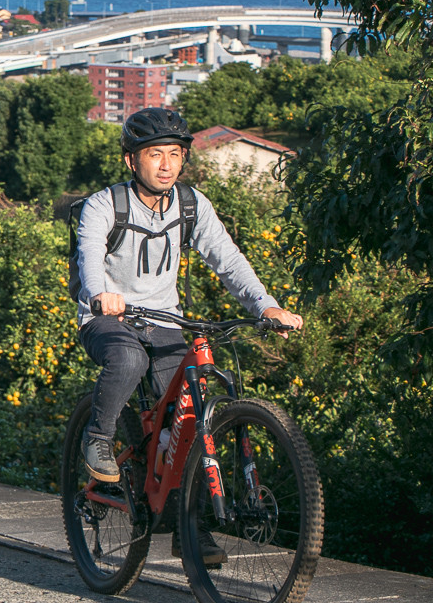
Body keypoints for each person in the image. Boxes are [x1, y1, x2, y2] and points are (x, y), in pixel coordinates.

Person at [74, 106, 303, 565]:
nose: (165, 165)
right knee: (128, 361)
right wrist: (101, 294)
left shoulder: (192, 205)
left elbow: (229, 260)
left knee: (190, 418)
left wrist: (266, 306)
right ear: (130, 161)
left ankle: (188, 526)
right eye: (154, 155)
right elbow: (89, 255)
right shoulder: (105, 204)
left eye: (175, 155)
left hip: (165, 320)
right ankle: (96, 436)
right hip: (109, 318)